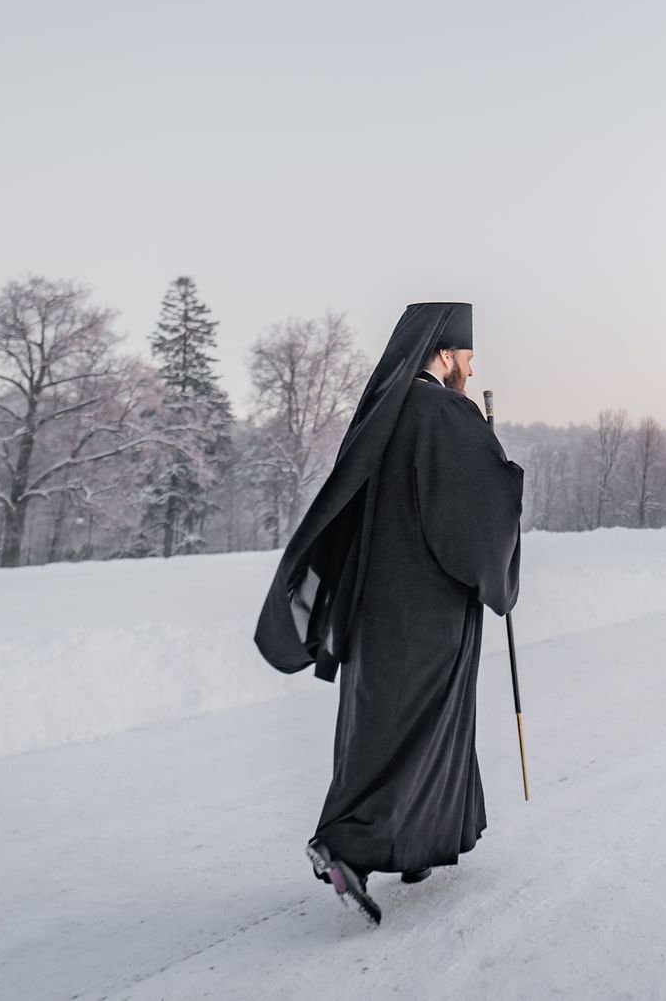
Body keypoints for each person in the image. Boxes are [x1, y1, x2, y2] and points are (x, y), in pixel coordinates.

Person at [254, 302, 523, 926]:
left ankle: (416, 845)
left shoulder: (389, 409)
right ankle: (346, 844)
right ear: (447, 354)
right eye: (468, 355)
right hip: (428, 605)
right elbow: (476, 518)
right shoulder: (443, 412)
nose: (471, 366)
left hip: (376, 602)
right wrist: (506, 480)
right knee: (418, 726)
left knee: (380, 722)